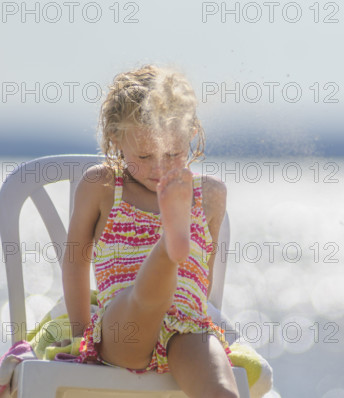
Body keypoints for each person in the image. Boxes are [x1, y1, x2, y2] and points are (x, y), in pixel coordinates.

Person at [61, 64, 239, 398]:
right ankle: (170, 247)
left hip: (186, 326)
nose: (159, 168)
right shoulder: (102, 185)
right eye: (144, 156)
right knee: (144, 298)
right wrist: (80, 333)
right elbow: (75, 262)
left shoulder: (210, 195)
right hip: (124, 329)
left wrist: (200, 324)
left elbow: (203, 278)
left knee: (220, 391)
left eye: (173, 154)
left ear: (191, 135)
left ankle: (172, 245)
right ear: (116, 139)